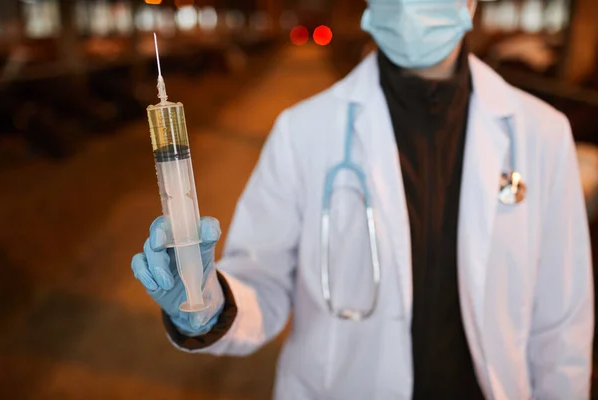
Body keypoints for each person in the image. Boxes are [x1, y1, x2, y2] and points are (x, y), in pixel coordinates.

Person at [131, 0, 594, 398]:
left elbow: (563, 322)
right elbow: (263, 285)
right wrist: (205, 301)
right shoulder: (303, 132)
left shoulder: (542, 134)